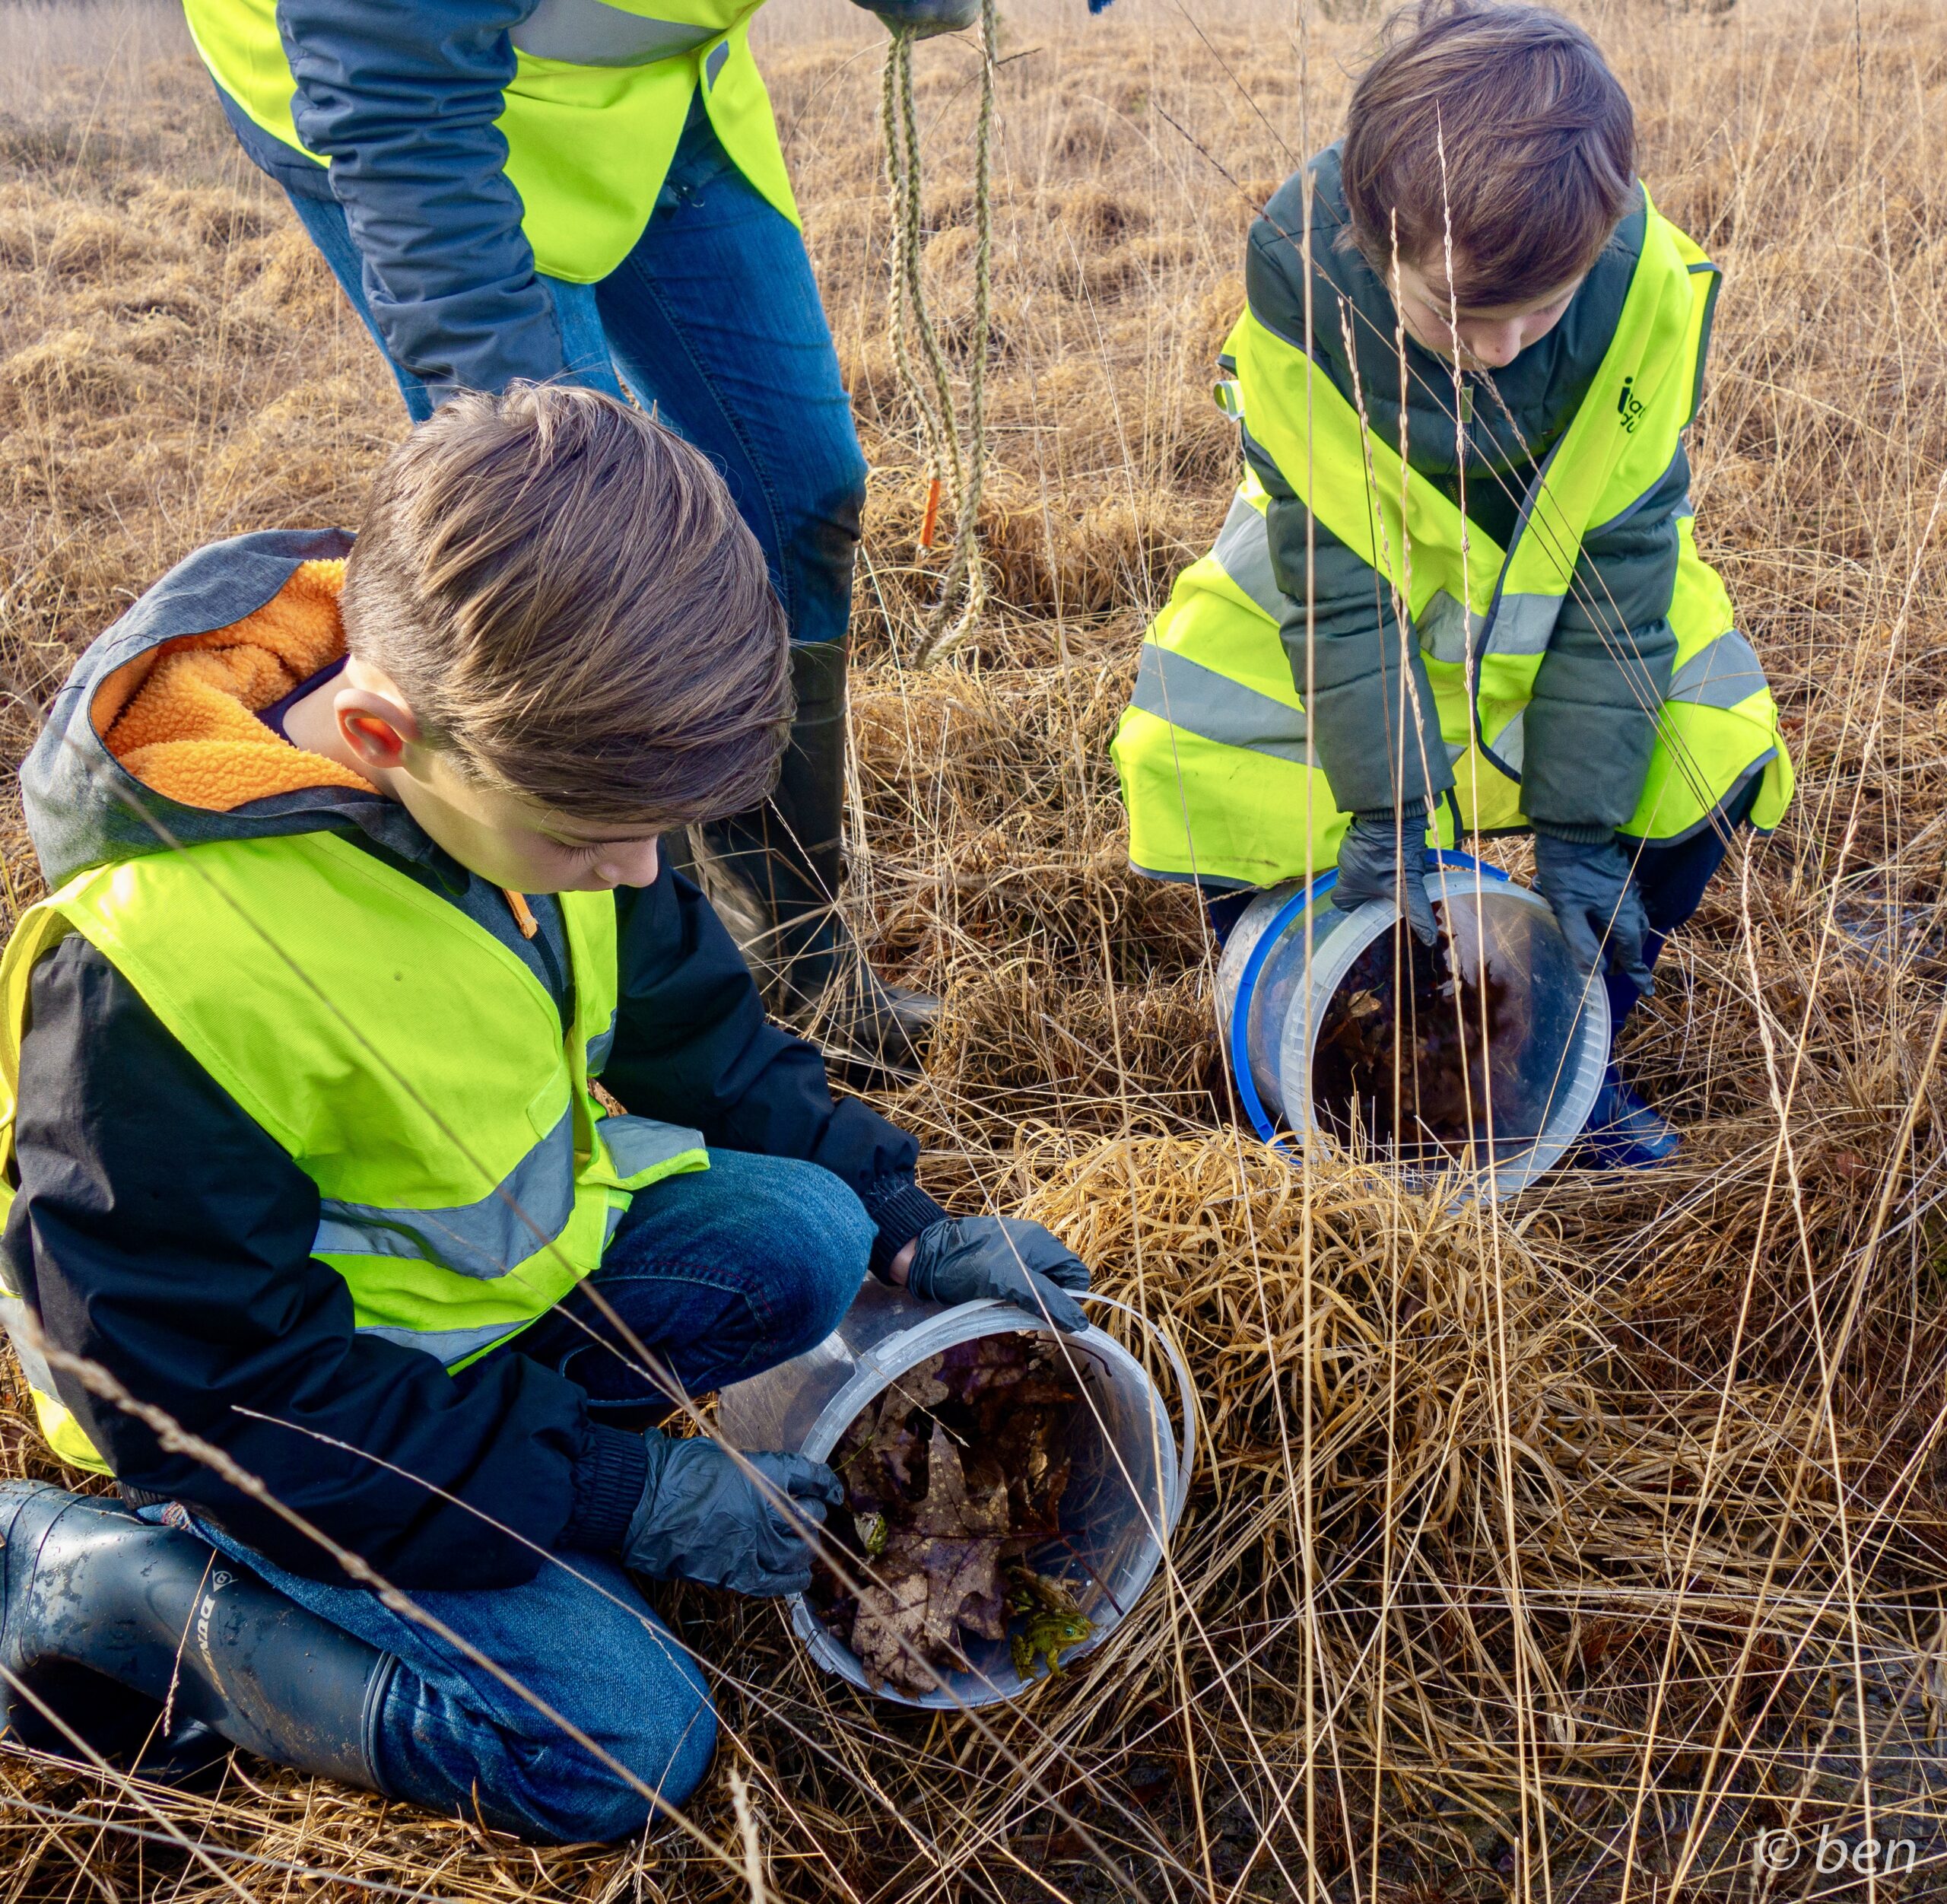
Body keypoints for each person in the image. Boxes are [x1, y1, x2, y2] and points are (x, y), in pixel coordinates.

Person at [0, 386, 1094, 1842]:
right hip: (273, 1432)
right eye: (594, 841)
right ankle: (123, 1593)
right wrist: (623, 1493)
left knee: (813, 1235)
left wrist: (912, 1224)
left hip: (473, 1331)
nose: (639, 876)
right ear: (381, 733)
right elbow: (218, 1398)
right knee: (626, 1744)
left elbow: (699, 1032)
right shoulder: (153, 979)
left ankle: (518, 1483)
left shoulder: (530, 759)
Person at [179, 0, 993, 1070]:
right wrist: (527, 448)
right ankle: (654, 1032)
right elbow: (387, 57)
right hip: (414, 106)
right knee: (581, 598)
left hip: (661, 102)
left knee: (803, 488)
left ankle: (794, 961)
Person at [1112, 0, 1793, 1165]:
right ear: (1372, 242)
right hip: (1348, 639)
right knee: (1204, 741)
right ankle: (1329, 1053)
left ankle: (1560, 1052)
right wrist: (1385, 811)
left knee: (1710, 737)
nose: (1501, 347)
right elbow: (1339, 589)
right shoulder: (1303, 300)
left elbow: (1621, 570)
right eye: (1457, 312)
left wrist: (1581, 828)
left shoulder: (1646, 292)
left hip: (1559, 637)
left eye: (1544, 309)